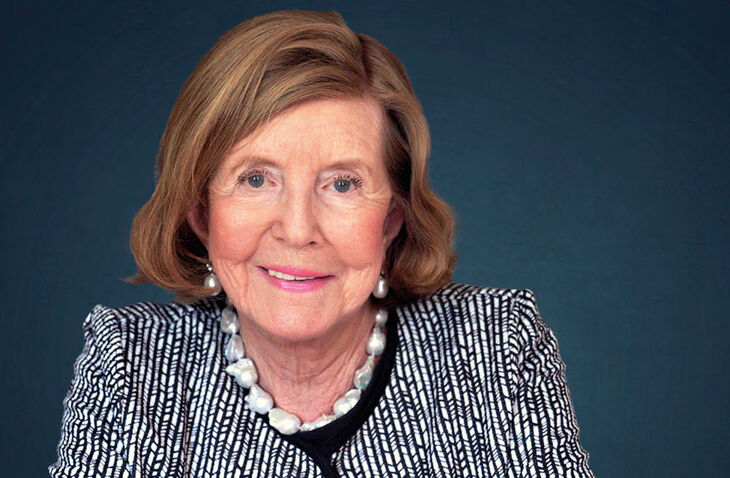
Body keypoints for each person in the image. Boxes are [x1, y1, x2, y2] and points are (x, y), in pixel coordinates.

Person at [48, 10, 594, 477]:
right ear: (200, 209)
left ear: (392, 217)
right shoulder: (132, 367)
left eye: (342, 184)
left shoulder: (496, 351)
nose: (297, 228)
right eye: (256, 179)